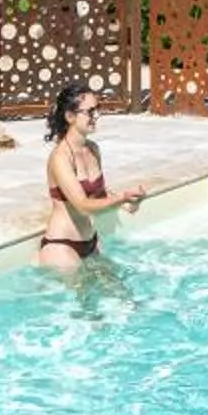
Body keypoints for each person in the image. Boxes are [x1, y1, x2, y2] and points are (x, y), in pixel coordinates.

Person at [39, 83, 142, 274]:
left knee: (122, 294)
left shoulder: (93, 149)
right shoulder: (60, 157)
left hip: (90, 242)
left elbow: (99, 196)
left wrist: (127, 202)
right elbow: (82, 204)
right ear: (70, 116)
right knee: (82, 301)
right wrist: (121, 198)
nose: (96, 117)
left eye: (97, 110)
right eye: (90, 111)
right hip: (62, 246)